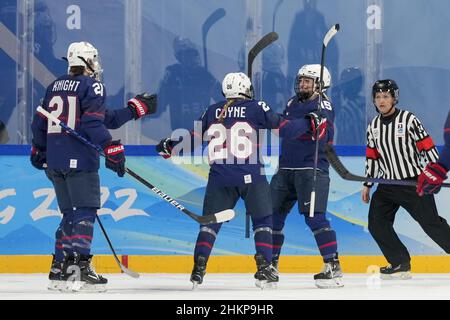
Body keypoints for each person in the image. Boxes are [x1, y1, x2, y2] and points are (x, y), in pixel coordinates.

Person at [155, 72, 314, 289]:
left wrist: (170, 145)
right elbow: (286, 129)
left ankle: (198, 269)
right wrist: (310, 122)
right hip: (251, 176)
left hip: (220, 177)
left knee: (209, 225)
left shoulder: (212, 111)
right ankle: (264, 268)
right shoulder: (257, 107)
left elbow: (192, 139)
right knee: (263, 222)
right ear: (246, 89)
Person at [30, 41, 157, 292]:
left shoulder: (54, 86)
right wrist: (111, 147)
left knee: (70, 214)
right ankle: (81, 268)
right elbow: (93, 124)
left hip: (55, 162)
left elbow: (42, 123)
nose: (96, 65)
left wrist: (134, 110)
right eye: (94, 59)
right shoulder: (92, 85)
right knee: (85, 211)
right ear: (87, 61)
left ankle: (60, 269)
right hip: (80, 160)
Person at [361, 79, 450, 280]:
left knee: (431, 224)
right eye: (377, 97)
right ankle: (399, 262)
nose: (381, 100)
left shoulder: (409, 119)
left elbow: (427, 146)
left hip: (413, 183)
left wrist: (434, 172)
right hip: (387, 185)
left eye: (385, 96)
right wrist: (368, 184)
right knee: (377, 223)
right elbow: (372, 157)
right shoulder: (373, 126)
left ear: (394, 98)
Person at [270, 64, 344, 289]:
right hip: (285, 169)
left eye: (308, 81)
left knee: (315, 217)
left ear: (319, 84)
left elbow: (320, 134)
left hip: (311, 170)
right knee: (272, 217)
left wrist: (316, 121)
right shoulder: (292, 102)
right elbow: (280, 127)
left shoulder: (324, 105)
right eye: (301, 80)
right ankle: (270, 265)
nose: (302, 84)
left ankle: (332, 264)